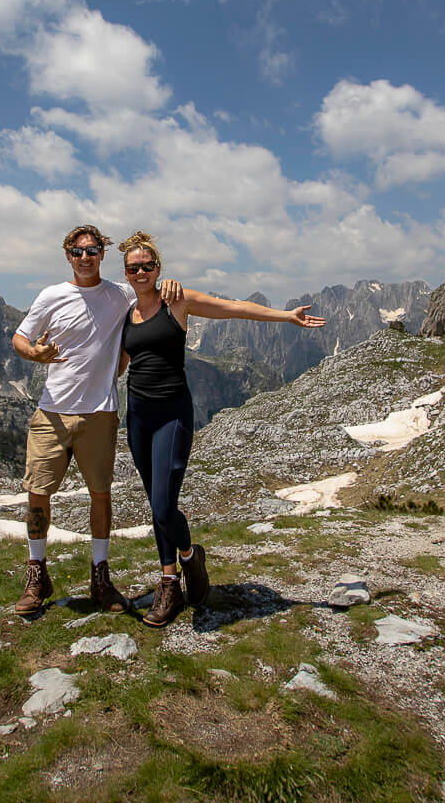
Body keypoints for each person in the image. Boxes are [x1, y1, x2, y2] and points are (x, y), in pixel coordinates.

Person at [117, 231, 326, 627]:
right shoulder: (127, 315)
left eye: (147, 265)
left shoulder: (178, 300)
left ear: (158, 269)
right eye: (133, 267)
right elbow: (121, 364)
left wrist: (286, 316)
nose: (140, 271)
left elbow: (234, 308)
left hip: (172, 414)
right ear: (126, 274)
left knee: (164, 504)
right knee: (155, 506)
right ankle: (169, 583)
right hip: (138, 417)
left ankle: (191, 558)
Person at [10, 225, 180, 617]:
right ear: (67, 255)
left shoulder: (119, 293)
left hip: (101, 413)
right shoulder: (51, 296)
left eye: (92, 250)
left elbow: (148, 292)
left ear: (102, 254)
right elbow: (20, 338)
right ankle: (37, 573)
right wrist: (35, 354)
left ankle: (100, 576)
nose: (85, 257)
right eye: (77, 250)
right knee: (39, 493)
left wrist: (169, 282)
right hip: (52, 412)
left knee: (100, 495)